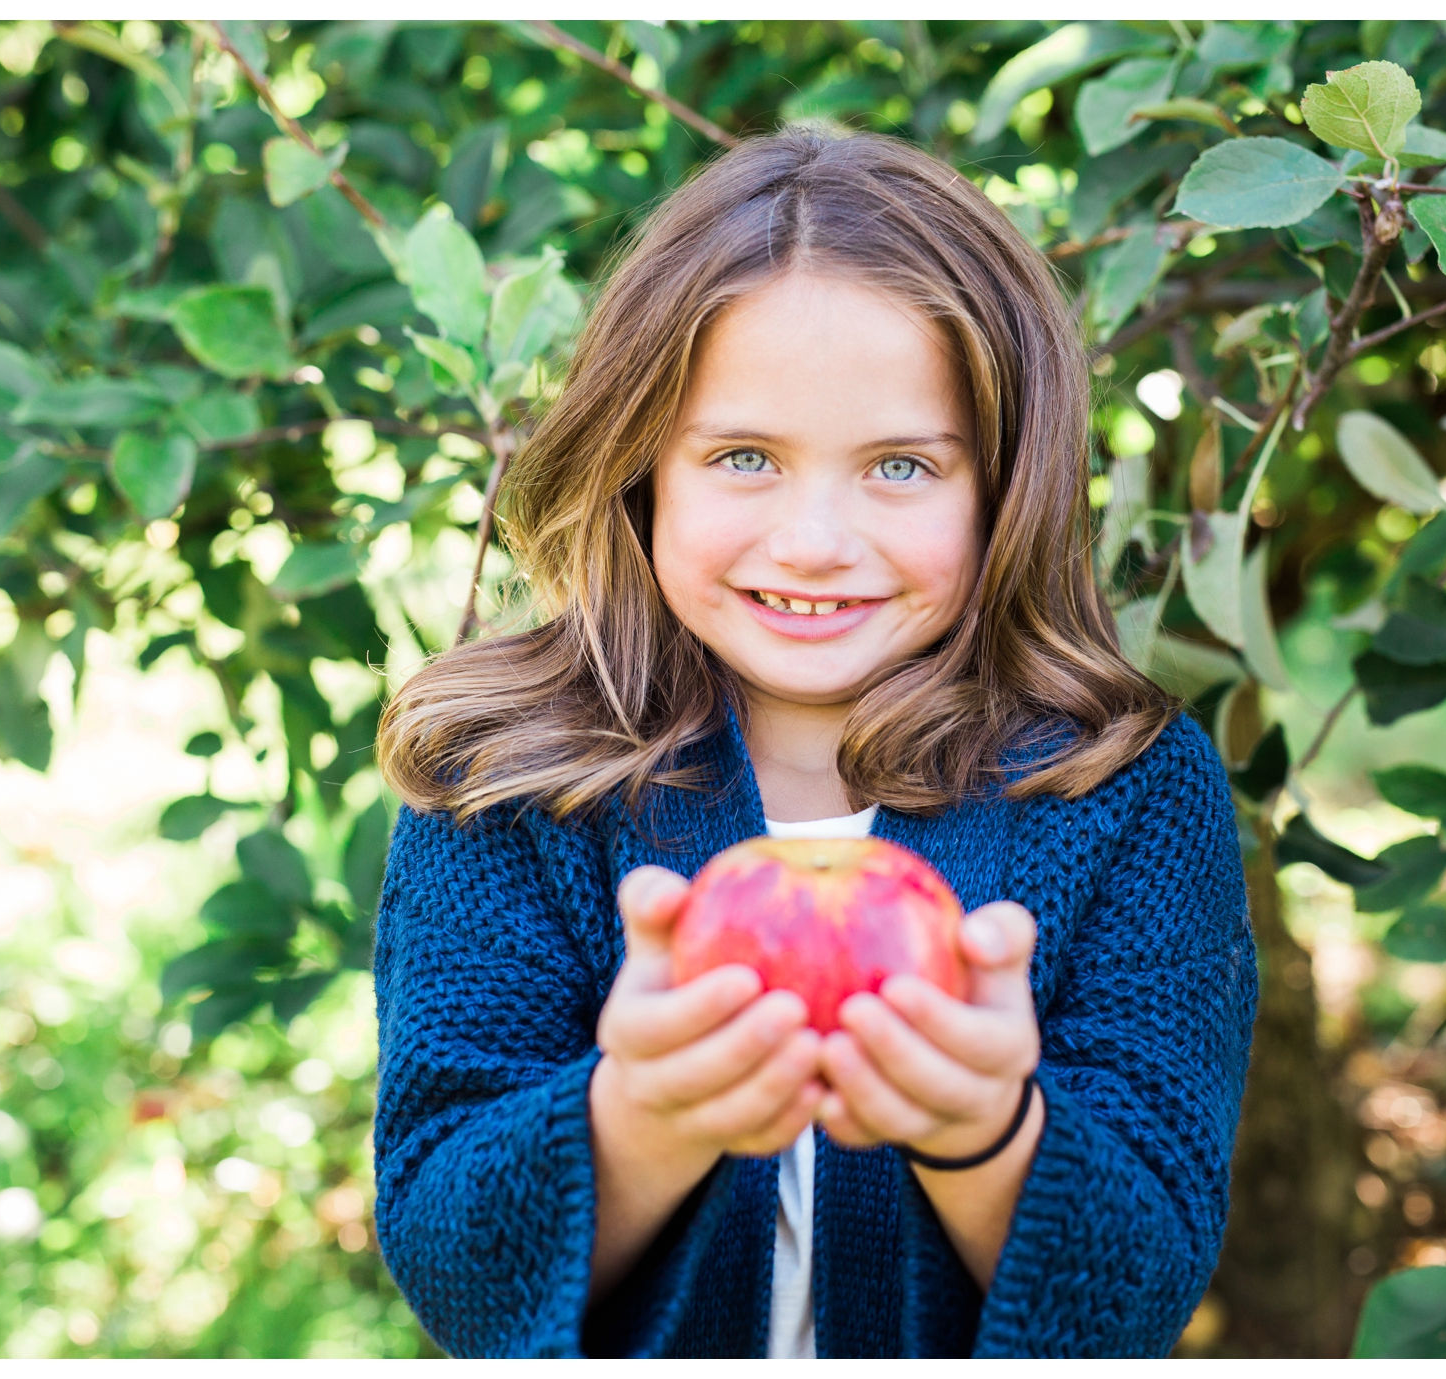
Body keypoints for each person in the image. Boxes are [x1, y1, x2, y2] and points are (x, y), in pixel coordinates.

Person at [370, 124, 1256, 1358]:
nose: (813, 540)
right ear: (640, 467)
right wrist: (640, 1113)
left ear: (1003, 486)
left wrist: (986, 1130)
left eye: (898, 465)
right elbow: (450, 1261)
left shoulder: (1119, 792)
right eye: (743, 457)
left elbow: (1139, 1286)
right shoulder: (511, 783)